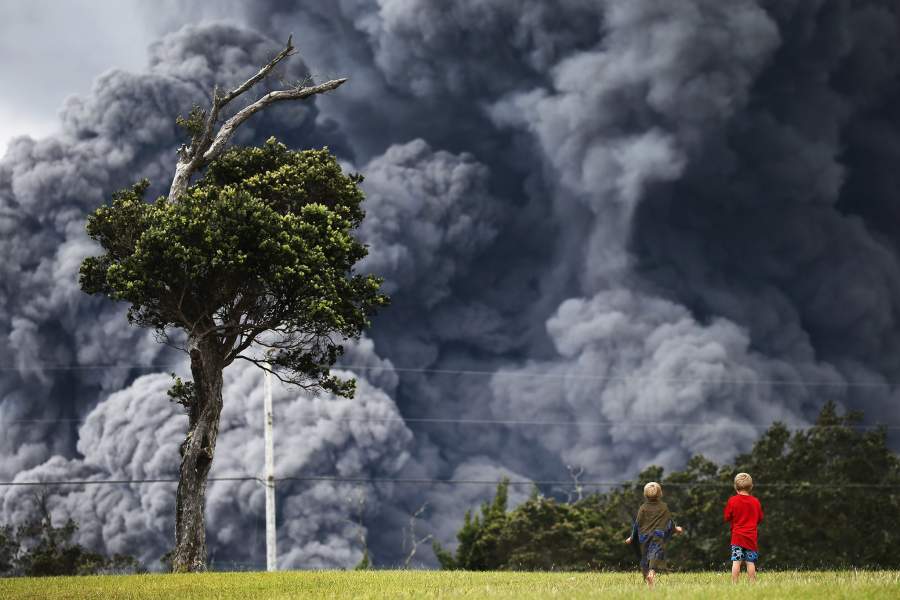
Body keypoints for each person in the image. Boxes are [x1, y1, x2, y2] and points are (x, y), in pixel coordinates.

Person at [624, 481, 684, 587]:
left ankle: (648, 580)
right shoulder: (664, 507)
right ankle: (651, 574)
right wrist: (676, 529)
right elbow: (669, 522)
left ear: (645, 494)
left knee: (644, 559)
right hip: (658, 536)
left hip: (644, 537)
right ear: (660, 494)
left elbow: (637, 524)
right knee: (655, 557)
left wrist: (631, 537)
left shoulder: (643, 508)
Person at [724, 472, 764, 583]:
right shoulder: (755, 502)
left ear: (735, 487)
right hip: (751, 538)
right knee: (750, 562)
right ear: (751, 487)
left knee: (736, 562)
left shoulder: (732, 501)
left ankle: (734, 583)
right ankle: (752, 583)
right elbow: (760, 518)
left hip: (737, 538)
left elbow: (727, 517)